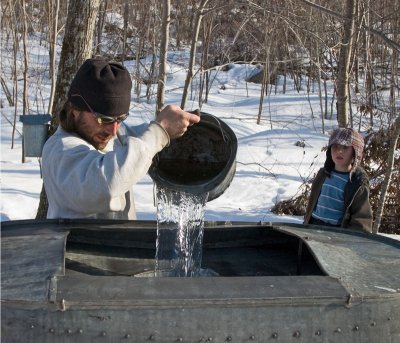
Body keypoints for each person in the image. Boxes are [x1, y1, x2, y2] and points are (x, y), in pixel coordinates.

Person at [42, 57, 200, 219]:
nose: (113, 130)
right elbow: (104, 184)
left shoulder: (113, 136)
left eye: (120, 119)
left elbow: (142, 142)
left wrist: (180, 127)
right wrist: (159, 133)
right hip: (78, 244)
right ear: (75, 110)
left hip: (121, 243)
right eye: (104, 119)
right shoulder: (60, 151)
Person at [304, 127, 373, 232]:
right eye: (335, 146)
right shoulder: (323, 174)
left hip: (336, 233)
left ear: (355, 152)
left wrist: (349, 240)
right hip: (313, 226)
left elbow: (361, 219)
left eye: (345, 147)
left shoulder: (357, 182)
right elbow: (312, 204)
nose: (339, 151)